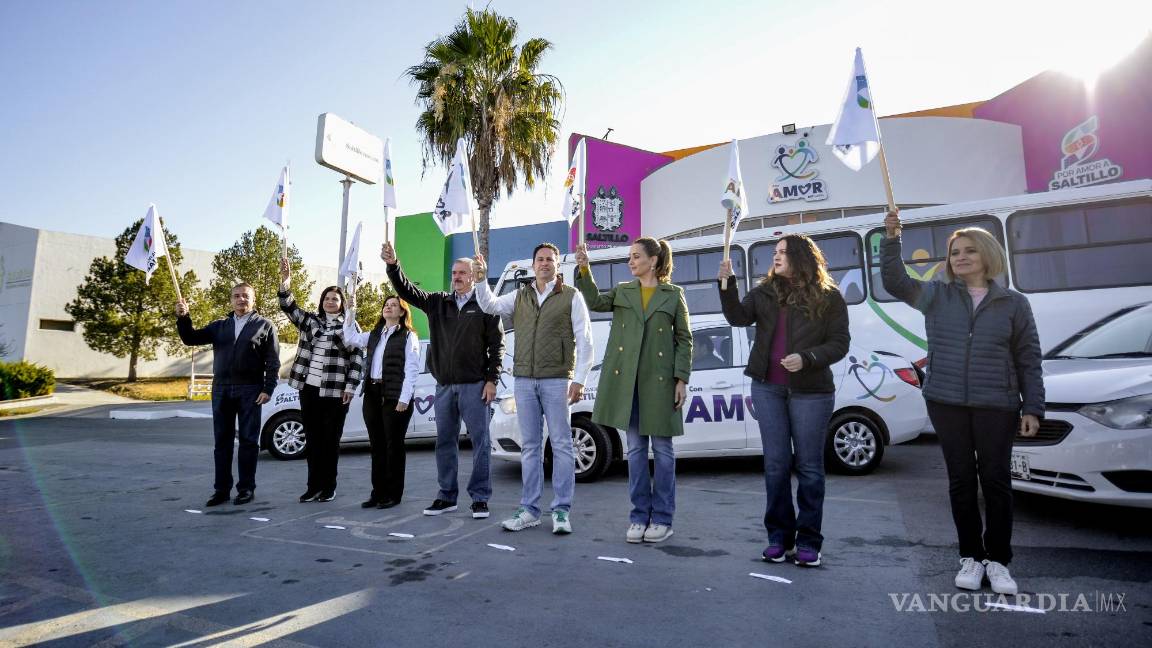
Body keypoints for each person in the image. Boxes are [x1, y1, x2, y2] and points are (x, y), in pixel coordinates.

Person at [881, 209, 1043, 595]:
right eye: (955, 253)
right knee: (961, 482)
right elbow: (895, 281)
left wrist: (1033, 407)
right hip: (947, 402)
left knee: (997, 482)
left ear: (987, 255)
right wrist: (891, 239)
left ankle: (999, 561)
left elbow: (1028, 358)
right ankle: (970, 557)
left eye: (969, 251)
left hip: (997, 404)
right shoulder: (936, 296)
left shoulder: (1013, 304)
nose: (961, 258)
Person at [718, 235, 850, 568]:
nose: (775, 257)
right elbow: (737, 317)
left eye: (782, 252)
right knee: (775, 467)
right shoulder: (763, 292)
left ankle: (808, 542)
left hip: (812, 391)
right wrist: (726, 284)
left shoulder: (829, 296)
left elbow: (840, 343)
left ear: (802, 257)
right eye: (774, 253)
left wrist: (807, 358)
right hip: (767, 389)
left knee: (809, 468)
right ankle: (779, 538)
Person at [575, 237, 691, 543]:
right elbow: (595, 302)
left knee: (664, 452)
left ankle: (663, 519)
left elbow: (684, 339)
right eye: (630, 256)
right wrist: (584, 269)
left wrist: (681, 379)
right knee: (637, 451)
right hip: (629, 385)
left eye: (636, 256)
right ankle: (639, 517)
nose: (631, 261)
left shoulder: (673, 294)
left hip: (661, 384)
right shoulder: (623, 291)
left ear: (653, 260)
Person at [473, 243, 594, 535]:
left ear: (556, 265)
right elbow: (489, 305)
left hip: (557, 380)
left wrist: (579, 379)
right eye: (540, 259)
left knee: (563, 446)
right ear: (533, 264)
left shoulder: (571, 296)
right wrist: (480, 281)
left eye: (549, 260)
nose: (544, 264)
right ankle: (529, 509)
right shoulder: (520, 296)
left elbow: (586, 339)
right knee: (530, 447)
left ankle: (562, 511)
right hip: (524, 380)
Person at [383, 242, 504, 519]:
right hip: (445, 387)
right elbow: (406, 290)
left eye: (462, 272)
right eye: (454, 272)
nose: (457, 276)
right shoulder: (438, 302)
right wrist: (393, 266)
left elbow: (497, 346)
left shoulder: (485, 304)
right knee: (445, 443)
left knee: (480, 443)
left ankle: (480, 498)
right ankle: (446, 496)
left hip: (475, 386)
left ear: (473, 275)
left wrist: (491, 380)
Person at [175, 283, 279, 507]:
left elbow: (273, 361)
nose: (241, 300)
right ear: (231, 300)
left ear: (253, 299)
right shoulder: (219, 326)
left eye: (245, 296)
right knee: (222, 442)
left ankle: (246, 489)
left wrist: (268, 388)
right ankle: (221, 490)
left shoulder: (265, 325)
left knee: (249, 441)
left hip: (250, 390)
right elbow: (190, 338)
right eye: (236, 296)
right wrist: (184, 318)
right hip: (221, 389)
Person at [278, 259, 364, 503]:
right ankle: (312, 486)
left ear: (342, 304)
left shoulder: (349, 325)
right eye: (327, 298)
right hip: (309, 389)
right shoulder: (310, 321)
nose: (330, 302)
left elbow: (358, 357)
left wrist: (351, 386)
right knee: (313, 440)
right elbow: (288, 306)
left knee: (330, 441)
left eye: (335, 299)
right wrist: (286, 281)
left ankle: (329, 487)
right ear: (322, 301)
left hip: (335, 392)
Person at [342, 293, 421, 509]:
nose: (388, 307)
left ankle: (393, 494)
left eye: (394, 305)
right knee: (377, 446)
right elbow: (349, 338)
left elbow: (411, 370)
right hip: (373, 393)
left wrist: (404, 399)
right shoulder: (375, 334)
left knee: (393, 446)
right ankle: (377, 493)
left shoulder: (408, 336)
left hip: (395, 396)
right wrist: (350, 311)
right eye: (386, 305)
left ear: (402, 311)